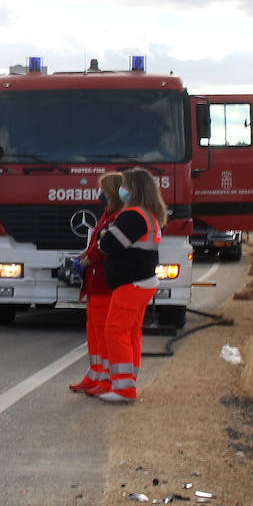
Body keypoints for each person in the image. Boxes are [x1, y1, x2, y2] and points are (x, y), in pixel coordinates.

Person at [93, 167, 165, 402]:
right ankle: (129, 380)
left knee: (115, 331)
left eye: (125, 184)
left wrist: (104, 235)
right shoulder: (149, 214)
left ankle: (123, 388)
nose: (121, 189)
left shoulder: (133, 216)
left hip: (131, 283)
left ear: (134, 189)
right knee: (131, 331)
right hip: (142, 281)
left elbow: (108, 246)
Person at [68, 171, 126, 393]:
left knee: (103, 332)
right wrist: (82, 256)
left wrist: (85, 262)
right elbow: (95, 241)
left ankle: (106, 380)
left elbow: (104, 248)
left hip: (104, 282)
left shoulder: (118, 216)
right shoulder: (107, 214)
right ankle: (94, 374)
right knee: (93, 330)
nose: (99, 194)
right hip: (94, 283)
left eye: (103, 189)